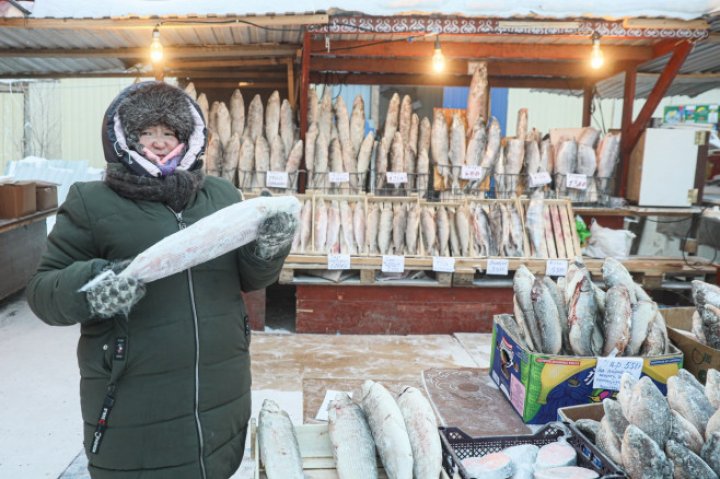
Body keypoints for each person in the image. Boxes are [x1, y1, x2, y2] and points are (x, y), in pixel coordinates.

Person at [26, 81, 296, 478]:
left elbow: (250, 277)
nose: (158, 142)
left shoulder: (221, 195)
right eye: (145, 133)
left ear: (189, 138)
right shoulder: (92, 201)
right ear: (123, 139)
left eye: (169, 132)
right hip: (134, 402)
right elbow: (43, 291)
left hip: (221, 393)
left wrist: (268, 249)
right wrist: (96, 286)